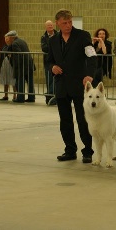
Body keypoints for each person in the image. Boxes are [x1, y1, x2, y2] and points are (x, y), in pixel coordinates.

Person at [47, 9, 96, 163]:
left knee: (83, 120)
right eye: (64, 23)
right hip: (61, 85)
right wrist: (52, 67)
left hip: (79, 84)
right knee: (65, 120)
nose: (68, 25)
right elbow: (48, 61)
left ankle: (88, 151)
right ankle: (70, 150)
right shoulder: (53, 40)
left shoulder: (82, 36)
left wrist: (89, 74)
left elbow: (92, 55)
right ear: (58, 23)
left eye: (70, 22)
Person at [4, 31, 35, 103]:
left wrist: (16, 67)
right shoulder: (22, 41)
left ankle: (20, 98)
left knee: (20, 81)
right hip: (29, 64)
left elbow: (18, 56)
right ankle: (31, 97)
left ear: (11, 37)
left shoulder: (15, 44)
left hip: (22, 65)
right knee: (30, 82)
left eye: (7, 38)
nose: (7, 40)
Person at [41, 20, 58, 105]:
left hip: (57, 62)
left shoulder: (59, 34)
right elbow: (44, 48)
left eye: (51, 25)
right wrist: (53, 47)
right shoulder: (43, 37)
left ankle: (54, 98)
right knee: (49, 80)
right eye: (48, 26)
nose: (50, 27)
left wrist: (51, 46)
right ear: (46, 27)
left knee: (56, 80)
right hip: (48, 62)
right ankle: (50, 98)